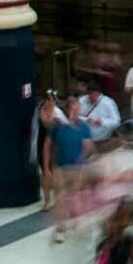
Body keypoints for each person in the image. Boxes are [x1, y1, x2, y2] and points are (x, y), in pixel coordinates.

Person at [50, 97, 94, 243]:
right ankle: (60, 229)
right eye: (73, 109)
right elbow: (52, 146)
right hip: (61, 168)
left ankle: (78, 222)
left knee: (77, 197)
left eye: (78, 109)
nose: (76, 112)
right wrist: (51, 165)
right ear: (67, 110)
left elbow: (88, 146)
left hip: (77, 168)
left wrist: (81, 161)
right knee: (60, 199)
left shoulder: (84, 127)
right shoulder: (59, 126)